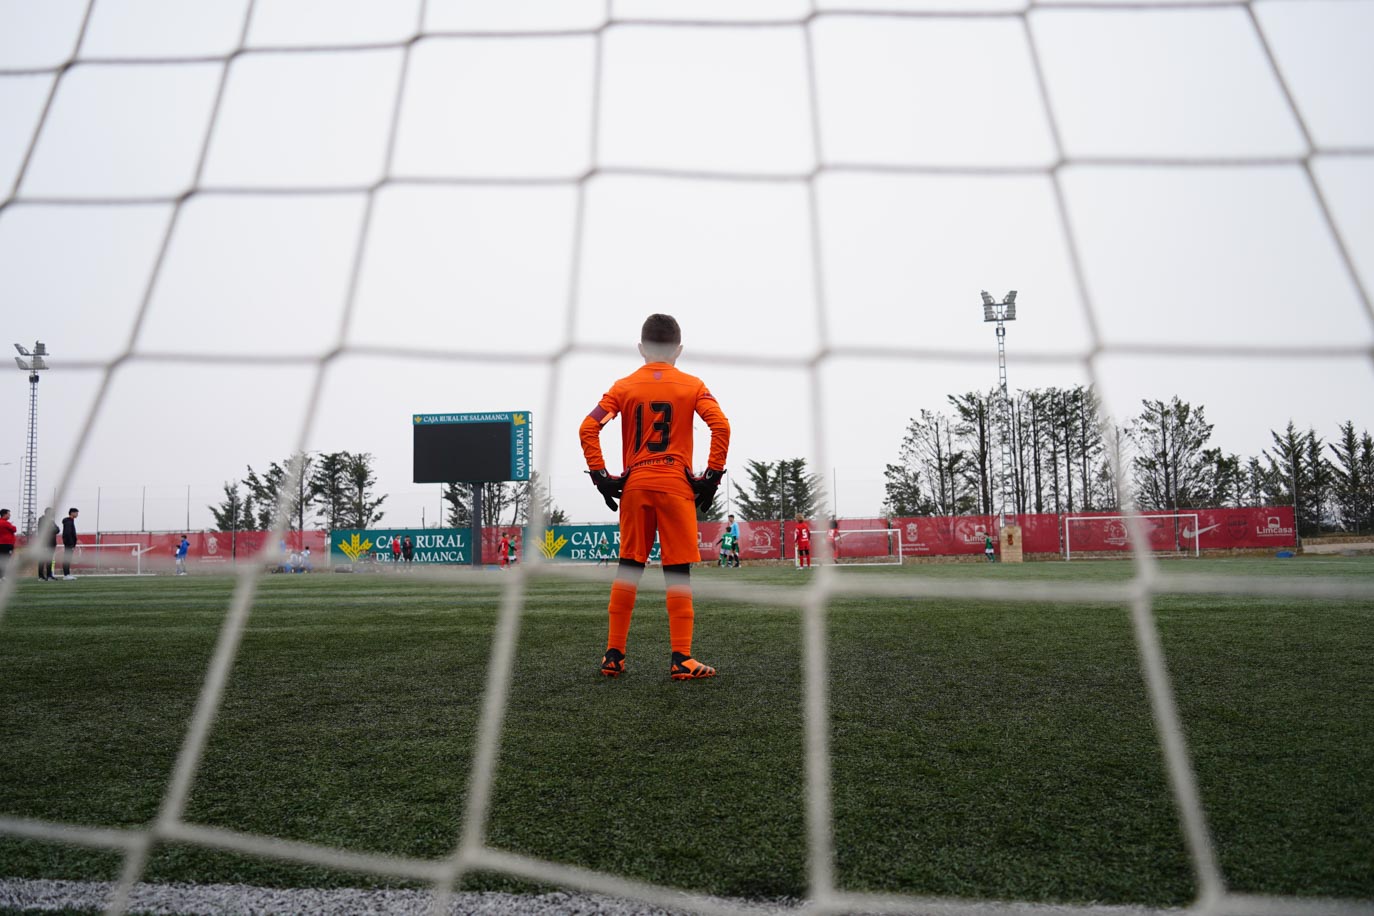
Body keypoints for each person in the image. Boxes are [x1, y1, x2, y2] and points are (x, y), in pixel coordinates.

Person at [580, 313, 730, 680]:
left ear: (641, 348)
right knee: (677, 571)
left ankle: (614, 655)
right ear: (678, 349)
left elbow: (588, 427)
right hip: (676, 486)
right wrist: (710, 477)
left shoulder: (623, 387)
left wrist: (601, 475)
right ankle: (682, 659)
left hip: (636, 486)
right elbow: (721, 426)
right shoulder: (692, 385)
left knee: (629, 566)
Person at [36, 507, 59, 581]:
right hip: (45, 544)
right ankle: (41, 576)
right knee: (42, 560)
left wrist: (52, 529)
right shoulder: (42, 520)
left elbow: (57, 529)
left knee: (50, 560)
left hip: (52, 543)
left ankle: (49, 576)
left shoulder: (51, 521)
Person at [60, 508, 79, 580]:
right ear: (72, 513)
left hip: (70, 544)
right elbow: (67, 534)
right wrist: (71, 544)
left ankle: (67, 574)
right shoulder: (68, 522)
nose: (77, 514)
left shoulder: (71, 521)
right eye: (76, 513)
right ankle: (66, 575)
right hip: (69, 544)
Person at [0, 509, 15, 579]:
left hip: (3, 544)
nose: (10, 515)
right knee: (5, 561)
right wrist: (12, 526)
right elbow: (14, 529)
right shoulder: (5, 523)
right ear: (4, 514)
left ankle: (2, 576)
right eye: (8, 514)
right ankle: (2, 576)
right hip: (6, 544)